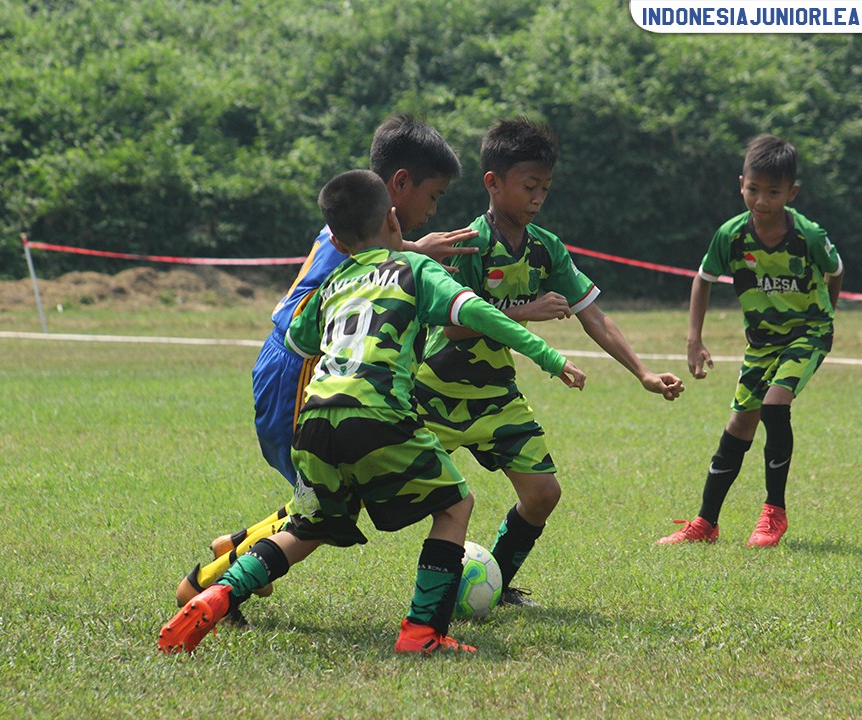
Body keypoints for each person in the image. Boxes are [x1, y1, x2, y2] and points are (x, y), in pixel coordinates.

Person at [157, 169, 586, 655]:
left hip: (315, 417)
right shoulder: (417, 270)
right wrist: (552, 359)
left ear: (336, 239)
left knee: (308, 526)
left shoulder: (333, 280)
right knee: (455, 505)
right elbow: (480, 315)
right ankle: (423, 633)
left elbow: (298, 341)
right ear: (392, 218)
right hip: (379, 411)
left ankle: (219, 594)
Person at [174, 115, 478, 608]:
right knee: (324, 504)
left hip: (300, 368)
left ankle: (232, 554)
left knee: (331, 493)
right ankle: (207, 580)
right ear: (400, 185)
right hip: (299, 369)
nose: (433, 209)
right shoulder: (356, 235)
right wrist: (415, 252)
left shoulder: (358, 223)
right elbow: (335, 293)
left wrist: (410, 250)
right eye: (434, 195)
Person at [413, 117, 685, 605]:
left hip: (496, 396)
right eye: (529, 186)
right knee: (363, 495)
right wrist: (525, 311)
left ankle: (494, 581)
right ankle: (254, 552)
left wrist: (642, 372)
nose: (538, 198)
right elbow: (451, 325)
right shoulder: (467, 244)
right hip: (437, 392)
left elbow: (594, 317)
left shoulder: (546, 248)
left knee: (543, 494)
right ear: (492, 184)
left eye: (545, 188)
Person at [657, 134, 843, 548]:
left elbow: (836, 269)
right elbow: (702, 280)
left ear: (791, 193)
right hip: (762, 343)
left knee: (776, 405)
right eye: (753, 189)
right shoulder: (732, 235)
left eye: (773, 193)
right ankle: (705, 524)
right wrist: (694, 338)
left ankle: (773, 514)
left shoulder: (808, 235)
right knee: (739, 424)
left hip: (807, 333)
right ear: (741, 183)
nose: (761, 201)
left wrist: (827, 315)